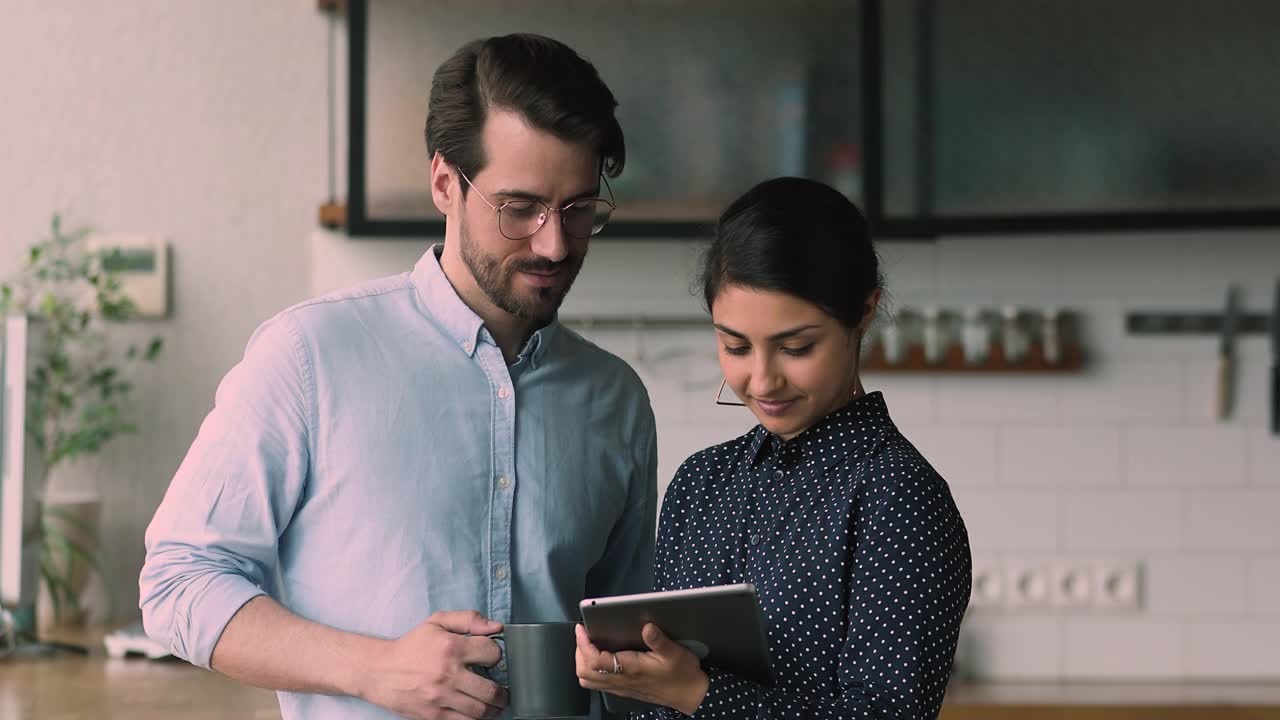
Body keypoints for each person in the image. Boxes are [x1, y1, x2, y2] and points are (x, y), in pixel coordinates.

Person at [141, 34, 657, 720]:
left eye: (579, 209)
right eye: (519, 208)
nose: (554, 243)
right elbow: (179, 584)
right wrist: (373, 668)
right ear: (445, 182)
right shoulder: (309, 355)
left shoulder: (616, 400)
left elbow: (627, 662)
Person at [574, 177, 971, 719]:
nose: (762, 381)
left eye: (796, 347)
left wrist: (697, 694)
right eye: (735, 345)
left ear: (864, 314)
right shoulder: (700, 483)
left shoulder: (897, 495)